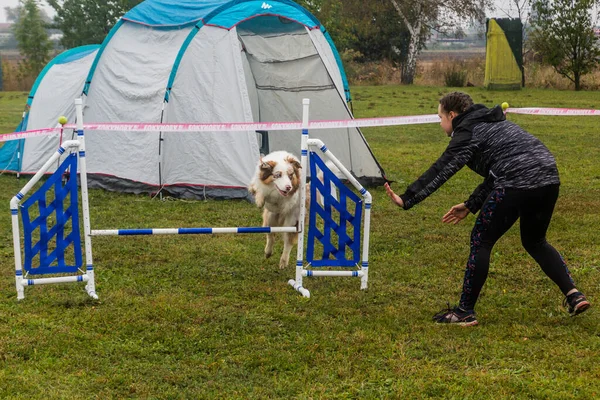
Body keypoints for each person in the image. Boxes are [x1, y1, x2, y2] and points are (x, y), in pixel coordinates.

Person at [384, 91, 590, 326]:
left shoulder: (467, 131)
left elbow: (444, 167)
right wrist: (471, 205)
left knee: (481, 241)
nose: (440, 123)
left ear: (452, 115)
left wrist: (407, 198)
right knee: (535, 241)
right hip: (548, 176)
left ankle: (464, 312)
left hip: (515, 181)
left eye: (440, 117)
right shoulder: (491, 122)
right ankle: (574, 294)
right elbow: (499, 169)